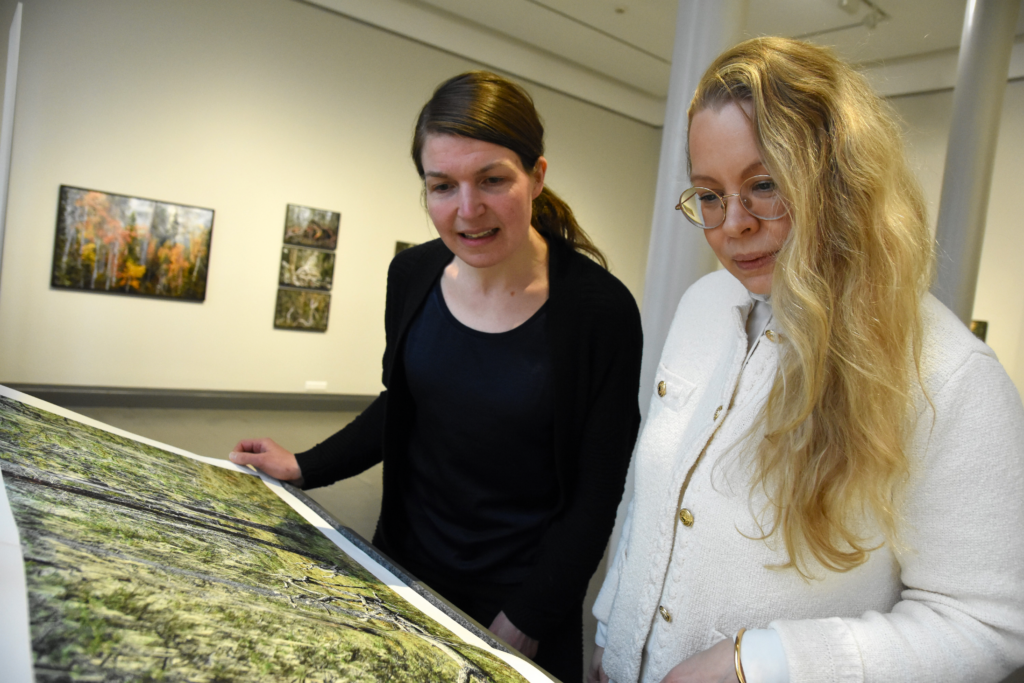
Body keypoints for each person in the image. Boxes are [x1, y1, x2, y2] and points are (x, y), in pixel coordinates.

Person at [588, 37, 1024, 683]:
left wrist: (759, 664)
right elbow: (650, 495)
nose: (733, 223)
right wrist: (611, 633)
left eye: (764, 185)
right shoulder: (704, 303)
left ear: (839, 180)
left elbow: (986, 623)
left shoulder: (948, 374)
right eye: (708, 194)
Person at [231, 70, 643, 682]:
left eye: (493, 180)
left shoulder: (598, 310)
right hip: (402, 567)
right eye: (442, 186)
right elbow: (402, 405)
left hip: (521, 602)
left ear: (537, 176)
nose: (467, 210)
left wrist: (525, 618)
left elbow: (597, 491)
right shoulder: (413, 275)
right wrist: (305, 466)